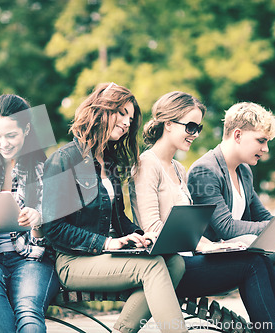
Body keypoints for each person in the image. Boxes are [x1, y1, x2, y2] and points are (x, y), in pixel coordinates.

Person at [130, 91, 275, 332]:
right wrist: (202, 244)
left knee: (255, 258)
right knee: (252, 262)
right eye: (190, 127)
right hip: (168, 267)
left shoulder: (178, 168)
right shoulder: (148, 164)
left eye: (197, 128)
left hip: (188, 259)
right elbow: (152, 229)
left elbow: (188, 227)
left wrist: (212, 244)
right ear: (167, 124)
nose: (195, 135)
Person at [42, 83, 188, 333]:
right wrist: (106, 243)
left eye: (130, 118)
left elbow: (117, 218)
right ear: (100, 110)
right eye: (121, 113)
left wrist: (143, 236)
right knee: (151, 267)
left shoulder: (109, 162)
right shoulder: (64, 159)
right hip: (74, 260)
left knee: (175, 263)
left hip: (106, 255)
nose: (127, 122)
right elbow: (52, 228)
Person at [187, 102, 275, 297]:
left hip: (235, 254)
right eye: (261, 141)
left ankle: (274, 321)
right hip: (207, 261)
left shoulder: (244, 171)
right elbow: (226, 228)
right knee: (257, 241)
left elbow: (263, 217)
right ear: (237, 135)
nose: (266, 148)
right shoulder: (205, 170)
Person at [0, 94, 60, 333]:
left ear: (27, 129)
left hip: (32, 259)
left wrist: (38, 222)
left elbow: (54, 237)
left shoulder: (46, 170)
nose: (4, 143)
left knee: (28, 309)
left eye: (11, 135)